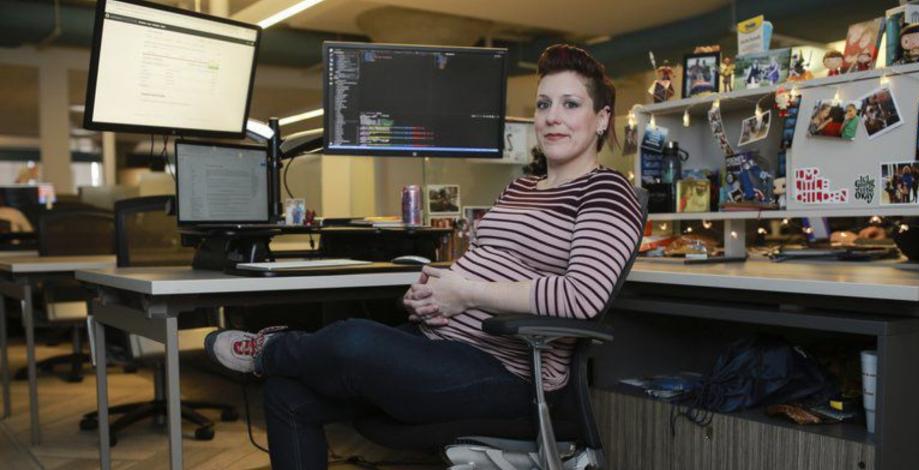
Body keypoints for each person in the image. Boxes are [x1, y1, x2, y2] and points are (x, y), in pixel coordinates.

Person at [203, 44, 645, 470]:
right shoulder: (521, 187)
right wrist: (436, 293)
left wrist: (467, 294)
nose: (553, 118)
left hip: (512, 372)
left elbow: (582, 297)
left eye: (570, 105)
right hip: (437, 343)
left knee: (353, 338)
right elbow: (489, 264)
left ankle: (270, 348)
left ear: (602, 117)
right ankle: (275, 358)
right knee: (287, 395)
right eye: (544, 104)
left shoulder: (606, 191)